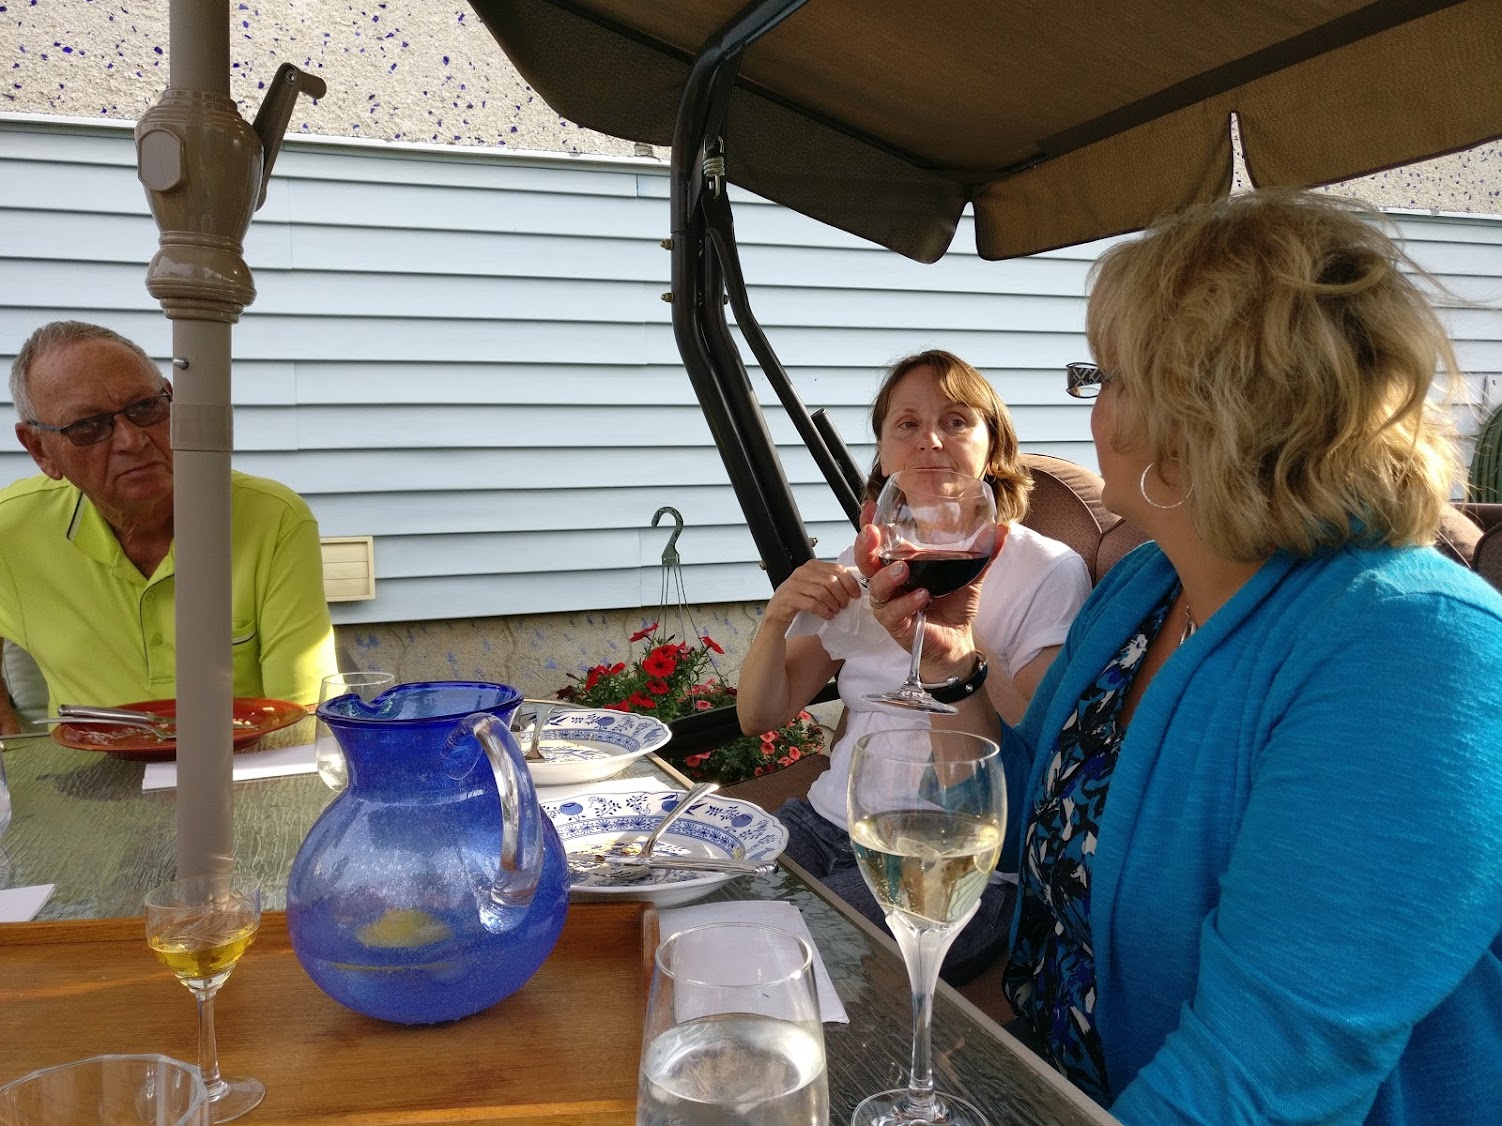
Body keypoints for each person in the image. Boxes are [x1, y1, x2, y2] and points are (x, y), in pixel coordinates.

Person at [853, 192, 1502, 1123]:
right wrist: (953, 664)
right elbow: (1026, 810)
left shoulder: (1413, 653)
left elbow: (1258, 1081)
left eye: (1106, 376)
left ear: (1201, 412)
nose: (1094, 410)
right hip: (1053, 1078)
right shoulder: (1146, 588)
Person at [737, 349, 1091, 984]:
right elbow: (760, 714)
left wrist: (957, 656)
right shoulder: (864, 562)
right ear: (883, 454)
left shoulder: (1046, 569)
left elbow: (1052, 745)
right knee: (702, 916)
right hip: (826, 822)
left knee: (790, 967)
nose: (930, 439)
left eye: (956, 421)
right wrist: (775, 618)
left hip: (952, 856)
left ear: (993, 447)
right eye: (907, 424)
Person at [0, 320, 338, 732]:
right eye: (88, 426)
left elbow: (303, 718)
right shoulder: (11, 530)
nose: (132, 440)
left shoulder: (272, 517)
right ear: (39, 450)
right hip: (90, 772)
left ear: (173, 402)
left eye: (146, 408)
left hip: (242, 767)